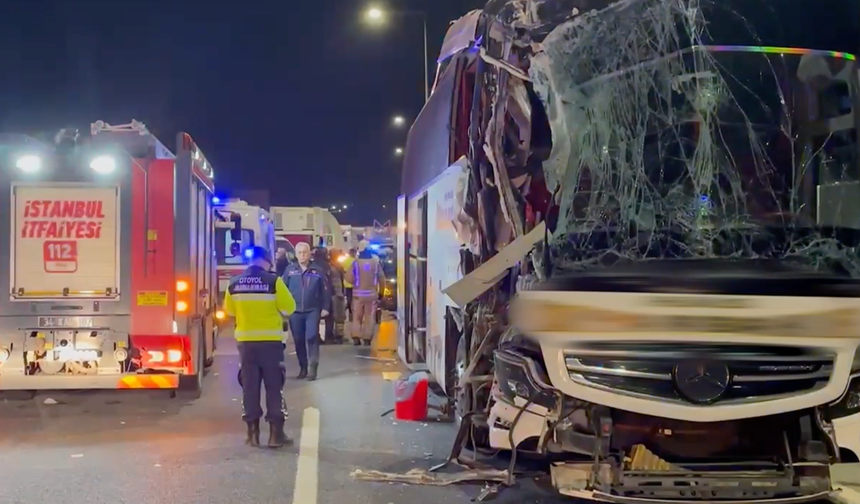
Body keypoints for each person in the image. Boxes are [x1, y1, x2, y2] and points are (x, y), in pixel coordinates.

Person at [223, 246, 295, 448]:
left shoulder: (234, 283)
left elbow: (229, 311)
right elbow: (289, 308)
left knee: (249, 387)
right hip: (271, 343)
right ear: (265, 261)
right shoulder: (274, 282)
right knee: (274, 387)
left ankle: (252, 435)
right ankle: (275, 435)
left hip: (246, 344)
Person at [283, 242, 331, 381]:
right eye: (299, 252)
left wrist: (325, 307)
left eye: (305, 252)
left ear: (310, 254)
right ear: (296, 254)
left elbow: (326, 291)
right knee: (298, 340)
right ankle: (302, 367)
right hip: (295, 311)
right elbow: (283, 289)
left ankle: (312, 367)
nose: (302, 255)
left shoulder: (318, 271)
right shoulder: (290, 270)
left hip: (312, 310)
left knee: (312, 337)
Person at [345, 240, 385, 346]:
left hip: (358, 296)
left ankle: (356, 337)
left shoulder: (356, 263)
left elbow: (348, 278)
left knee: (357, 317)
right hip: (372, 296)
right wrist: (381, 292)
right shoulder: (376, 263)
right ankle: (367, 339)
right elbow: (381, 279)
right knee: (369, 317)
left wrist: (356, 282)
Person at [342, 248, 356, 321]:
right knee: (354, 299)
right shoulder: (356, 261)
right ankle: (352, 312)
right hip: (355, 283)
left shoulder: (345, 261)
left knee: (349, 297)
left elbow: (343, 270)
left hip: (347, 283)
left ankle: (349, 310)